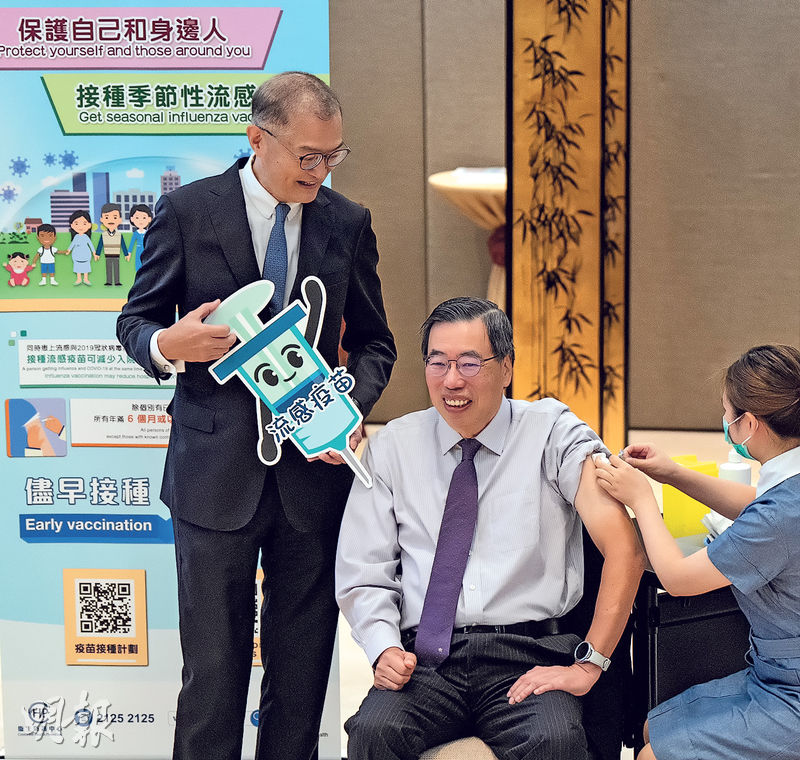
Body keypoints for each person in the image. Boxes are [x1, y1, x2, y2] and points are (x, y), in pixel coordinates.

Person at [116, 72, 396, 760]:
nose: (321, 172)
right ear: (257, 139)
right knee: (212, 677)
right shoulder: (187, 211)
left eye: (333, 156)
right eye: (308, 156)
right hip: (213, 481)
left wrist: (349, 406)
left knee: (300, 681)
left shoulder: (346, 222)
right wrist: (168, 345)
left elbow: (375, 343)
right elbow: (135, 321)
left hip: (313, 484)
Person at [336, 297, 643, 760]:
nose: (451, 380)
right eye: (437, 362)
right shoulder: (394, 446)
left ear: (506, 368)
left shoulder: (552, 433)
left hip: (530, 654)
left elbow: (624, 547)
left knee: (554, 740)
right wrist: (383, 648)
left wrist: (590, 664)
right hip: (427, 661)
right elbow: (364, 570)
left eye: (469, 363)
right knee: (373, 733)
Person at [594, 344, 800, 760]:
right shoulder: (787, 491)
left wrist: (642, 500)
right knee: (651, 726)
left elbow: (678, 579)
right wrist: (673, 474)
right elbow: (756, 504)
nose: (725, 424)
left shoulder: (778, 516)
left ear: (750, 424)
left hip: (789, 692)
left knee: (652, 754)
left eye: (727, 414)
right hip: (774, 673)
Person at [94, 202, 129, 286]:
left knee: (116, 268)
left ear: (119, 220)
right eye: (106, 217)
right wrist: (97, 254)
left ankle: (117, 281)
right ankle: (109, 281)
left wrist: (126, 254)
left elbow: (123, 245)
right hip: (108, 255)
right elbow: (100, 245)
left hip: (116, 254)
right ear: (101, 219)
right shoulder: (104, 235)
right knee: (108, 268)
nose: (111, 220)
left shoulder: (119, 234)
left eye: (115, 217)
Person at [66, 210, 95, 286]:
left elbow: (91, 245)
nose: (80, 226)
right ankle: (79, 279)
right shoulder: (76, 237)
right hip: (76, 255)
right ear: (72, 225)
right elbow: (72, 244)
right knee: (77, 267)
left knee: (86, 267)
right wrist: (68, 250)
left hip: (86, 254)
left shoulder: (86, 237)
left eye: (84, 223)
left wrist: (94, 253)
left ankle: (86, 279)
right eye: (76, 223)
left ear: (89, 225)